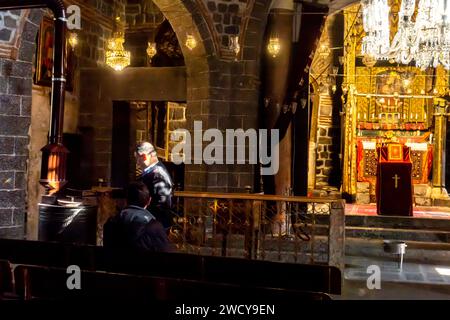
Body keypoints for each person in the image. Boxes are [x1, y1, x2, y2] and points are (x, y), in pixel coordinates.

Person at [103, 181, 171, 252]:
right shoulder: (155, 227)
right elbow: (166, 256)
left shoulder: (111, 223)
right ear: (149, 201)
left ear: (126, 200)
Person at [135, 141, 175, 229]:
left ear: (144, 156)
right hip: (153, 224)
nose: (137, 163)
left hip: (155, 225)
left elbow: (162, 203)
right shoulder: (153, 171)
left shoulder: (158, 173)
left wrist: (144, 218)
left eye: (137, 159)